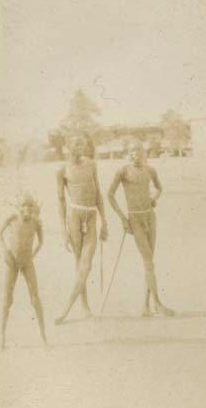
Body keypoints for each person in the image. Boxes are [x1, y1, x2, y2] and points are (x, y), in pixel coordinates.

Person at [108, 141, 175, 317]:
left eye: (138, 152)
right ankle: (158, 304)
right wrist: (123, 219)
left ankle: (146, 306)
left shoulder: (150, 170)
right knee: (148, 262)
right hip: (135, 218)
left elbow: (159, 188)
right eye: (131, 152)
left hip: (150, 216)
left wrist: (154, 197)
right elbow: (110, 195)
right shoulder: (123, 171)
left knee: (149, 262)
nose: (135, 155)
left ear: (143, 153)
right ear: (128, 154)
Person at [55, 134, 108, 324]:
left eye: (81, 144)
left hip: (91, 216)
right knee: (79, 265)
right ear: (68, 145)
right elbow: (61, 201)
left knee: (86, 264)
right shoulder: (61, 170)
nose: (79, 147)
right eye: (75, 143)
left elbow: (99, 193)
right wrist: (63, 231)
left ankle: (65, 309)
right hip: (74, 217)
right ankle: (84, 306)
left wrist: (105, 222)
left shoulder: (92, 164)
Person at [0, 192, 47, 350]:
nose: (26, 208)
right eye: (23, 206)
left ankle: (43, 336)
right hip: (12, 262)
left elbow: (41, 242)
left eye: (29, 205)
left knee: (35, 298)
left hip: (27, 263)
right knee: (7, 299)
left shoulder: (36, 222)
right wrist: (5, 250)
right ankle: (2, 337)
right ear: (19, 207)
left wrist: (32, 255)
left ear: (33, 208)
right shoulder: (12, 219)